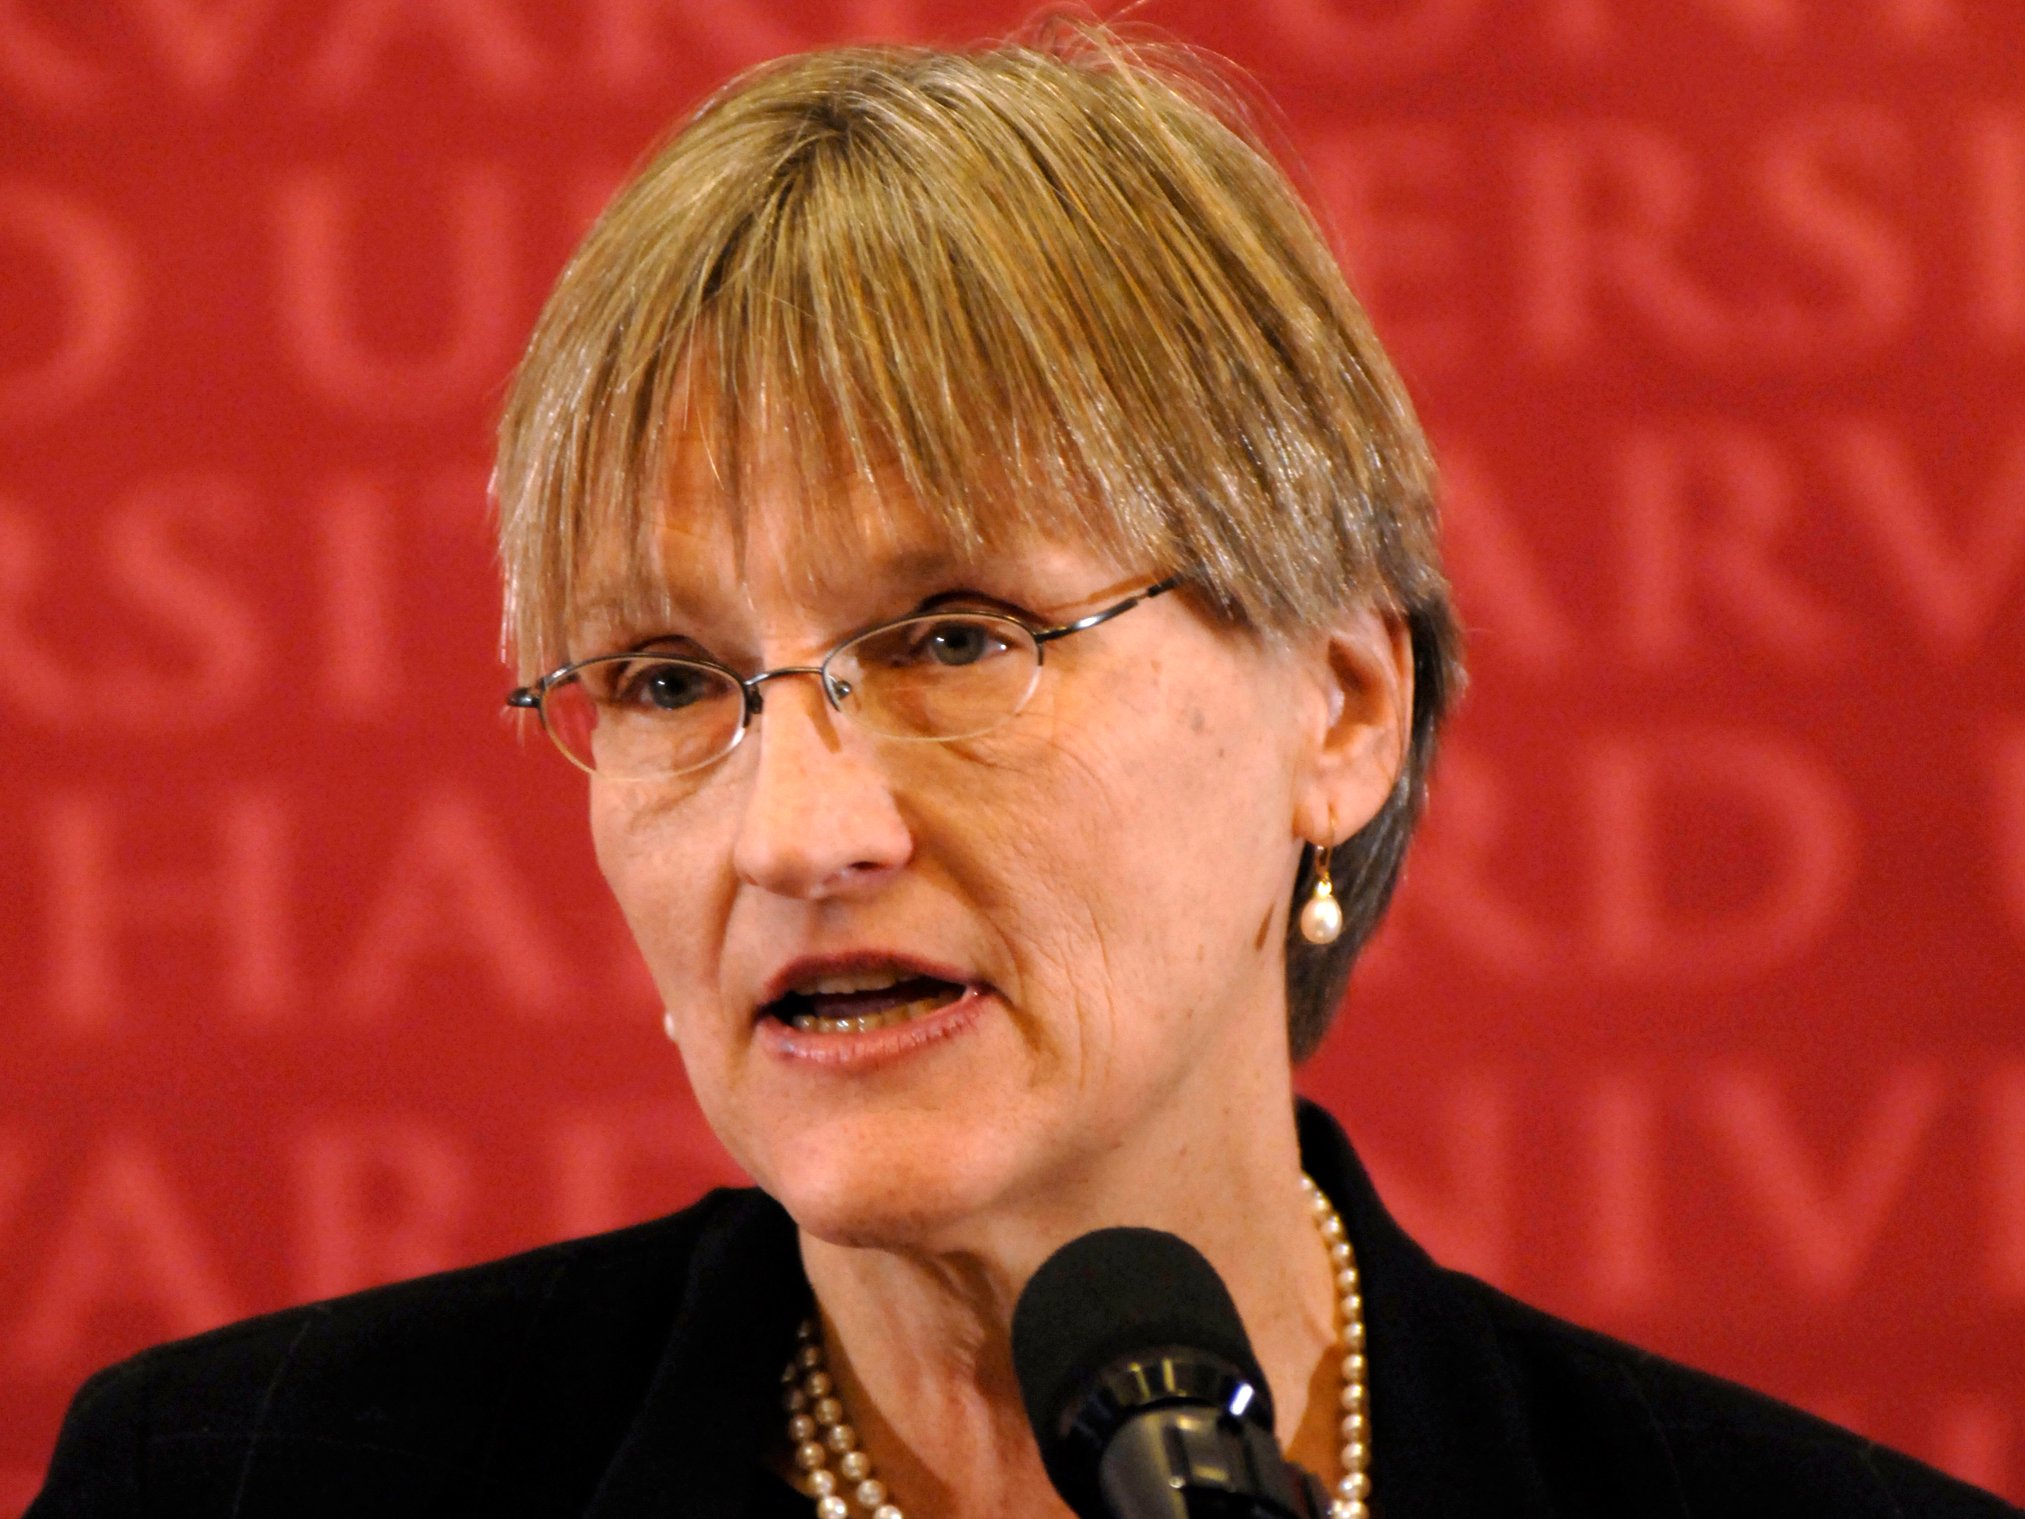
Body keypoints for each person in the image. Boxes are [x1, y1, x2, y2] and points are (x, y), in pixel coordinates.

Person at [27, 24, 2019, 1519]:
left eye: (956, 638)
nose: (799, 831)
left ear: (1336, 708)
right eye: (663, 677)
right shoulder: (237, 1488)